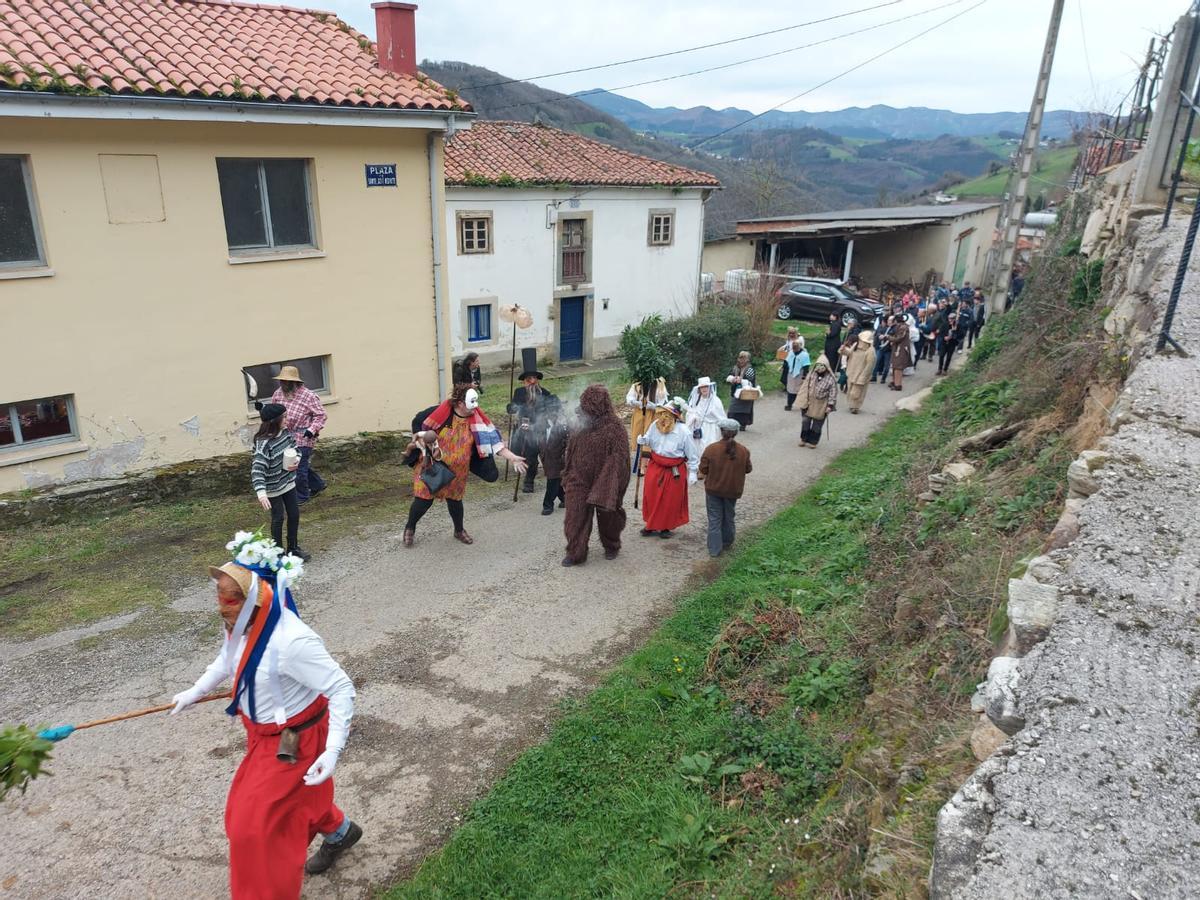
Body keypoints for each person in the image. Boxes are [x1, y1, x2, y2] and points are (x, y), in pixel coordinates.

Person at [170, 534, 359, 897]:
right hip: (262, 735)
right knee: (299, 801)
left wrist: (331, 751)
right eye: (219, 595)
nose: (220, 605)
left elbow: (341, 688)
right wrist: (194, 692)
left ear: (254, 597)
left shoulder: (293, 642)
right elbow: (227, 659)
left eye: (229, 598)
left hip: (294, 741)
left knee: (251, 827)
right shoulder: (238, 623)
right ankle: (340, 832)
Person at [403, 384, 526, 547]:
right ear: (460, 403)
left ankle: (459, 530)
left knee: (455, 500)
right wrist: (424, 447)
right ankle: (410, 528)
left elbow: (494, 442)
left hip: (458, 469)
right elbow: (420, 427)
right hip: (432, 464)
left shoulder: (477, 420)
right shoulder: (440, 414)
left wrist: (512, 458)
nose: (476, 407)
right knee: (423, 500)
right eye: (471, 402)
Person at [561, 385, 631, 565]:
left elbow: (620, 460)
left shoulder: (615, 428)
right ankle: (575, 551)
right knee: (574, 515)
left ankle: (611, 545)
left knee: (609, 515)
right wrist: (568, 473)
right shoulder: (580, 423)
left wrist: (608, 486)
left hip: (605, 481)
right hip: (579, 478)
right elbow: (571, 450)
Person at [637, 397, 700, 538]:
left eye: (667, 415)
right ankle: (651, 525)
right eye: (662, 414)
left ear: (675, 417)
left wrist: (693, 472)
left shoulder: (684, 431)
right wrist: (643, 439)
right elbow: (649, 438)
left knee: (669, 500)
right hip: (656, 466)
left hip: (674, 470)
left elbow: (692, 453)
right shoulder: (655, 425)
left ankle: (665, 527)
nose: (663, 418)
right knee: (651, 496)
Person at [251, 403, 307, 561]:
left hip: (288, 482)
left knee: (294, 514)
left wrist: (296, 459)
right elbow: (257, 470)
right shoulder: (264, 444)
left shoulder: (285, 433)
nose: (287, 420)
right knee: (278, 518)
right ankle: (277, 552)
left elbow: (295, 448)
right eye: (285, 417)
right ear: (275, 420)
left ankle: (293, 548)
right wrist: (261, 493)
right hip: (273, 488)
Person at [272, 366, 327, 504]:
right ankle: (318, 485)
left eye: (286, 381)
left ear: (294, 382)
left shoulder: (309, 396)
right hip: (286, 435)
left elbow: (321, 415)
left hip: (304, 435)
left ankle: (302, 496)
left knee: (298, 467)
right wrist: (264, 410)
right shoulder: (278, 394)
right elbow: (273, 410)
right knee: (295, 464)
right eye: (281, 381)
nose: (283, 384)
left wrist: (312, 429)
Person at [699, 418, 752, 559]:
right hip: (733, 491)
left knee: (715, 518)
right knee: (729, 516)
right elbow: (748, 469)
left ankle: (714, 549)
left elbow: (703, 469)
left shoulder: (711, 449)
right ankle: (727, 542)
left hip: (713, 490)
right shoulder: (743, 451)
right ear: (736, 433)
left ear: (721, 431)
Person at [507, 369, 557, 495]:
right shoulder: (519, 392)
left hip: (539, 429)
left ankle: (530, 481)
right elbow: (513, 407)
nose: (532, 382)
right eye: (529, 380)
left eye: (534, 379)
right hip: (523, 428)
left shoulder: (545, 393)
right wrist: (511, 407)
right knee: (523, 454)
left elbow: (552, 411)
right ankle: (526, 476)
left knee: (535, 456)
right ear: (524, 382)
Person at [797, 358, 837, 448]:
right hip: (809, 402)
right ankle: (804, 439)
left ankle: (813, 441)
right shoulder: (811, 375)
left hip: (821, 404)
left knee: (817, 424)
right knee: (805, 421)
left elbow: (833, 393)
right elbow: (804, 388)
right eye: (818, 366)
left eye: (822, 366)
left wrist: (830, 405)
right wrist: (801, 400)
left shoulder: (831, 379)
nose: (819, 368)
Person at [540, 397, 569, 516]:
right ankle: (564, 498)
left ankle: (547, 504)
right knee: (557, 478)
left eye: (554, 409)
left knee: (553, 479)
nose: (552, 412)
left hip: (559, 456)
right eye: (549, 409)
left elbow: (570, 439)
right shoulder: (541, 422)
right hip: (545, 455)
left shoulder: (564, 423)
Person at [626, 376, 668, 451]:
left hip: (653, 415)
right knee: (637, 438)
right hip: (639, 413)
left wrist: (654, 406)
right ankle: (638, 458)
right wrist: (636, 402)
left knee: (650, 438)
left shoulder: (659, 384)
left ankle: (648, 459)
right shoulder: (637, 384)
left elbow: (663, 404)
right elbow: (629, 398)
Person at [686, 376, 727, 452]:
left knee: (710, 449)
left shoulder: (716, 401)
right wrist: (693, 417)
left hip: (711, 430)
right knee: (698, 450)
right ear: (699, 389)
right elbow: (690, 412)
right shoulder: (695, 400)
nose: (704, 389)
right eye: (702, 387)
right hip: (698, 429)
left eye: (706, 387)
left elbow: (721, 417)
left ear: (709, 387)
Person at [840, 329, 875, 414]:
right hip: (851, 371)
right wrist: (843, 350)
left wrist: (863, 377)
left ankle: (855, 407)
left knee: (856, 393)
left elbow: (869, 366)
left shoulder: (870, 351)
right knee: (849, 391)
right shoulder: (855, 345)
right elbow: (848, 353)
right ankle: (851, 405)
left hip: (860, 374)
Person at [725, 351, 758, 431]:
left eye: (744, 358)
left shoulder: (750, 369)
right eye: (741, 358)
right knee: (732, 409)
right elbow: (729, 376)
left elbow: (750, 381)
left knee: (744, 410)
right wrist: (733, 379)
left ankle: (742, 425)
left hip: (746, 393)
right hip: (735, 392)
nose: (742, 360)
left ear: (747, 360)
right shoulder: (735, 368)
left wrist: (741, 381)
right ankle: (732, 425)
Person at [783, 338, 811, 411]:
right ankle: (789, 405)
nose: (794, 349)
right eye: (793, 347)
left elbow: (806, 366)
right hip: (791, 373)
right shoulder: (791, 352)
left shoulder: (805, 355)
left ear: (800, 346)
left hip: (800, 374)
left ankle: (803, 406)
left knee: (800, 391)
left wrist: (804, 376)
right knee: (790, 390)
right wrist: (784, 367)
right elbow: (786, 361)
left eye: (796, 347)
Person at [888, 313, 913, 391]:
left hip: (901, 349)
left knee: (898, 367)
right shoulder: (899, 326)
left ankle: (898, 385)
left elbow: (899, 338)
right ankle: (894, 382)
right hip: (897, 348)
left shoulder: (903, 327)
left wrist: (888, 337)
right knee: (895, 366)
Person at [870, 315, 893, 383]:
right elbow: (877, 333)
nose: (882, 323)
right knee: (876, 362)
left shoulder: (891, 328)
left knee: (886, 365)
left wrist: (884, 336)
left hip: (888, 349)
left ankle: (883, 378)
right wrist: (879, 335)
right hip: (879, 347)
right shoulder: (880, 327)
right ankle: (874, 377)